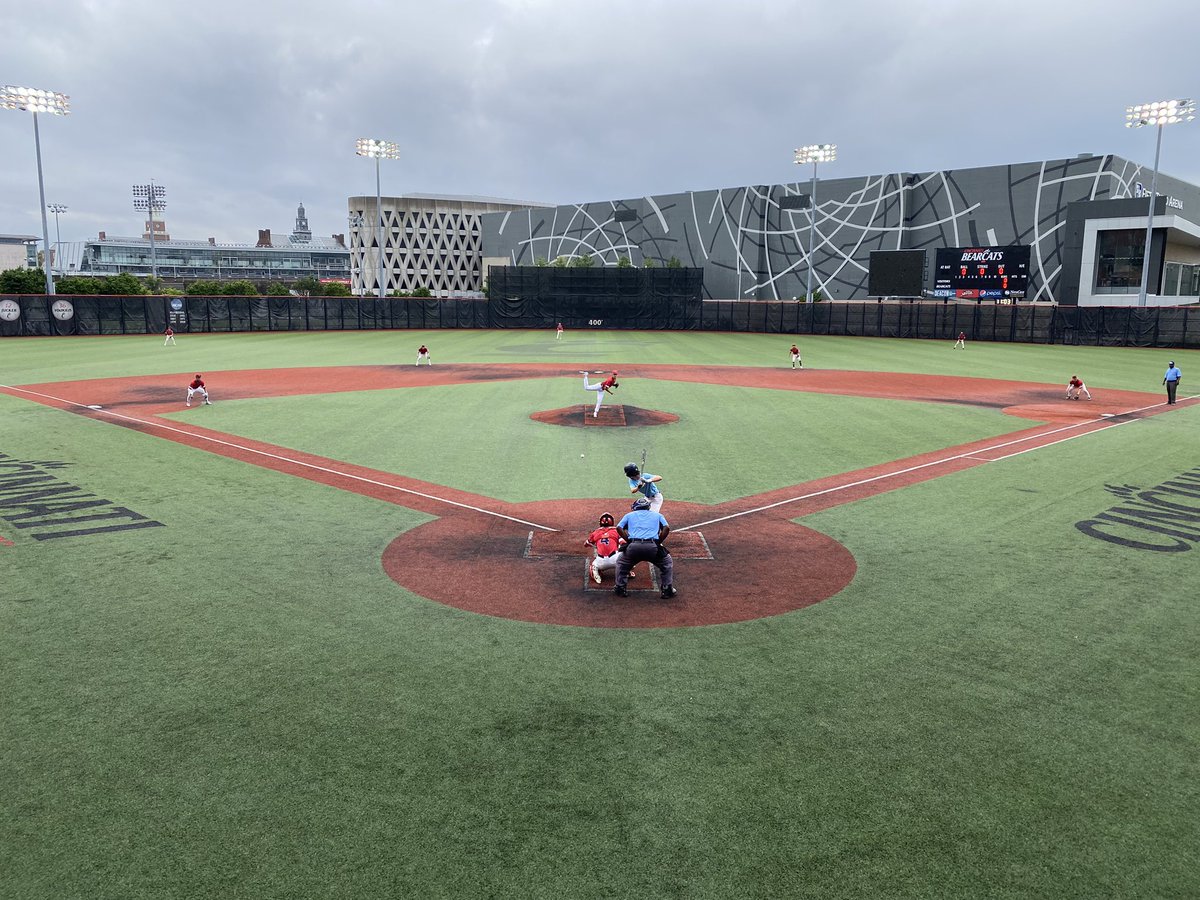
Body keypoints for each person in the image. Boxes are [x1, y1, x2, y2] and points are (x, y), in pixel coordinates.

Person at [614, 497, 676, 599]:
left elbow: (619, 528)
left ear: (635, 507)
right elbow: (666, 528)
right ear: (648, 507)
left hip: (633, 547)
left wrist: (628, 540)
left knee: (622, 563)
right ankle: (667, 590)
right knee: (666, 562)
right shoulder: (658, 515)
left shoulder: (629, 515)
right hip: (652, 548)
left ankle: (620, 588)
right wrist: (658, 542)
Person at [585, 511, 633, 584]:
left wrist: (593, 542)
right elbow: (624, 543)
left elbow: (586, 544)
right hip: (616, 560)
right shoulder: (616, 531)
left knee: (594, 564)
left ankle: (595, 569)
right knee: (628, 555)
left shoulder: (595, 532)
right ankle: (626, 571)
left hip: (601, 562)